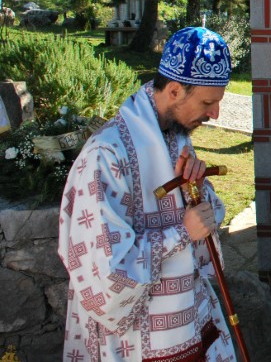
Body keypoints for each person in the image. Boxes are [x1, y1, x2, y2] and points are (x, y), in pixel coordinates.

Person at [58, 27, 236, 362]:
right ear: (174, 90)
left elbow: (204, 223)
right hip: (135, 340)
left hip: (189, 321)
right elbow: (104, 273)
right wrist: (182, 232)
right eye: (207, 102)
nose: (215, 114)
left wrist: (196, 190)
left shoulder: (176, 138)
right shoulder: (106, 155)